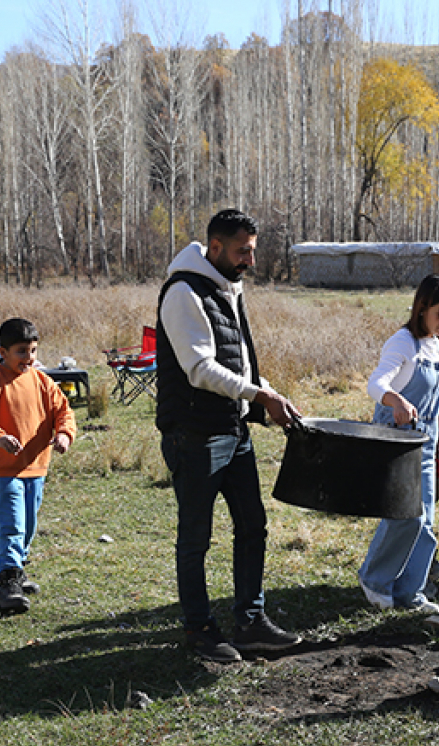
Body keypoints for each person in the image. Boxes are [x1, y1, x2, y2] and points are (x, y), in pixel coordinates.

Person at [157, 209, 303, 663]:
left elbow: (233, 359)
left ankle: (250, 621)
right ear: (215, 247)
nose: (250, 262)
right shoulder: (184, 292)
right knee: (196, 536)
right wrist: (261, 395)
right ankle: (199, 629)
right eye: (243, 252)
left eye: (253, 252)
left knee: (252, 525)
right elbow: (200, 369)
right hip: (195, 433)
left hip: (231, 428)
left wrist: (256, 402)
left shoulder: (224, 288)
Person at [359, 274, 439, 614]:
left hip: (427, 442)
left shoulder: (435, 343)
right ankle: (374, 580)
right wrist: (396, 401)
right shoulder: (402, 341)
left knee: (426, 521)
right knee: (406, 517)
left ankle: (409, 593)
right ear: (422, 307)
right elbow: (377, 384)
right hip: (397, 441)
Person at [0, 318, 76, 614]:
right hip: (4, 469)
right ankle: (7, 583)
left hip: (36, 467)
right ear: (2, 352)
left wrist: (64, 434)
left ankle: (19, 568)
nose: (29, 358)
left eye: (33, 351)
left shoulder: (43, 382)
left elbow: (64, 412)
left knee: (28, 525)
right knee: (12, 524)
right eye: (21, 352)